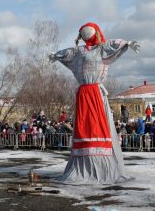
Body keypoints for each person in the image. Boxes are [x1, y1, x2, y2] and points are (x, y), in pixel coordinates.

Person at [48, 22, 140, 184]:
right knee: (84, 126)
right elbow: (67, 54)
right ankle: (83, 163)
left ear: (96, 32)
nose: (86, 32)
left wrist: (127, 43)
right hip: (84, 93)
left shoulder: (102, 48)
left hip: (96, 93)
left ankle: (103, 164)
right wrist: (56, 55)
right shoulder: (78, 51)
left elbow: (113, 45)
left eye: (89, 30)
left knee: (99, 125)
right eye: (83, 31)